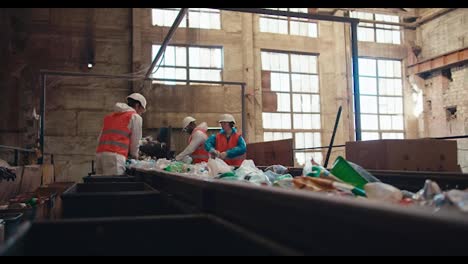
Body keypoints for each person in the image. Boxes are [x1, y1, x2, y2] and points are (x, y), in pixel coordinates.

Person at [95, 93, 146, 175]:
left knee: (101, 185)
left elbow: (100, 138)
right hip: (115, 158)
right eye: (141, 110)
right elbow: (135, 140)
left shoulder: (110, 117)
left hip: (100, 155)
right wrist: (135, 155)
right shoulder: (135, 117)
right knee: (114, 186)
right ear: (137, 105)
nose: (141, 113)